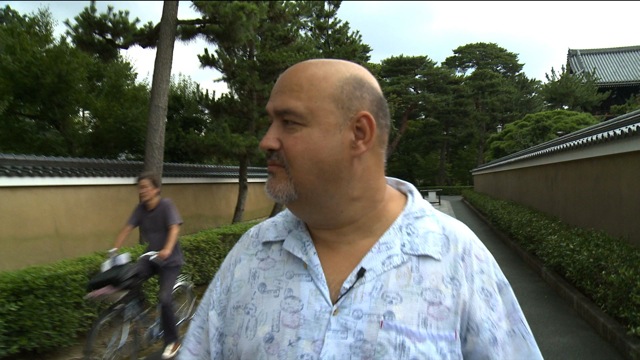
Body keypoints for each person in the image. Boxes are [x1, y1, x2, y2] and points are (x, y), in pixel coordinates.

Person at [178, 59, 543, 359]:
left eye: (289, 122)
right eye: (271, 121)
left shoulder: (456, 258)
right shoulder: (249, 256)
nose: (267, 140)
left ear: (359, 134)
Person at [112, 171, 184, 359]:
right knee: (129, 276)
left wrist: (167, 249)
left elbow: (174, 228)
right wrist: (113, 251)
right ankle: (141, 309)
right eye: (140, 188)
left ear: (156, 189)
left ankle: (173, 341)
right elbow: (126, 229)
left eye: (145, 187)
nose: (142, 191)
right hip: (152, 257)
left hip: (170, 260)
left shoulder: (166, 205)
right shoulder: (140, 209)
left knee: (165, 299)